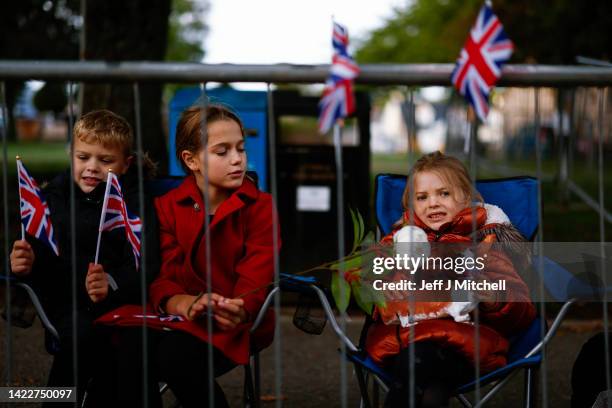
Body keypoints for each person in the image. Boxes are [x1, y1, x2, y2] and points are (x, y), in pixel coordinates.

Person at [125, 103, 279, 408]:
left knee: (174, 358)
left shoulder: (261, 207)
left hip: (235, 320)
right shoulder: (167, 206)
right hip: (180, 315)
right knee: (129, 350)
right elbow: (164, 275)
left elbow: (257, 277)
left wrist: (240, 307)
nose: (237, 159)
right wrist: (184, 303)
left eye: (240, 149)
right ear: (191, 160)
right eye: (222, 152)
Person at [9, 109, 159, 407]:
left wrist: (112, 283)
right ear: (71, 155)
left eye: (105, 161)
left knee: (121, 342)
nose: (92, 167)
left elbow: (146, 262)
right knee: (82, 333)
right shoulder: (53, 198)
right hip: (65, 300)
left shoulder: (135, 202)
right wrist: (20, 264)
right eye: (83, 157)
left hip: (121, 301)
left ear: (126, 164)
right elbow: (37, 253)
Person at [365, 151, 536, 408]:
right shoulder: (396, 245)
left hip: (464, 346)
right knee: (429, 383)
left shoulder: (485, 244)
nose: (433, 203)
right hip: (402, 341)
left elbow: (522, 310)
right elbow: (368, 286)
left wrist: (494, 298)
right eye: (422, 197)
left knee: (419, 366)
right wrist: (381, 292)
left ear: (466, 198)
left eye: (443, 194)